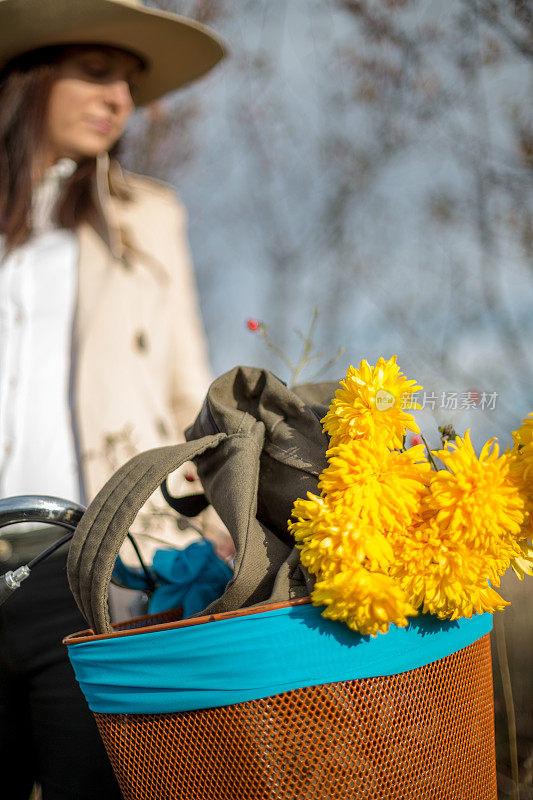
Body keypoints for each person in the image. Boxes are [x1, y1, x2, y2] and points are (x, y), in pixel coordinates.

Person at [0, 1, 227, 797]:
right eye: (96, 74)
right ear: (31, 79)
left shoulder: (148, 219)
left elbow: (185, 391)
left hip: (94, 567)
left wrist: (218, 529)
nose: (120, 100)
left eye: (128, 84)